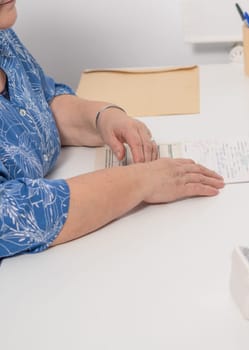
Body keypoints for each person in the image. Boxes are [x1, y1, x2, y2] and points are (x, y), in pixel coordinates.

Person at [0, 1, 224, 258]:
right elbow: (13, 213)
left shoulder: (4, 37)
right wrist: (142, 181)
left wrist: (102, 118)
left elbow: (40, 102)